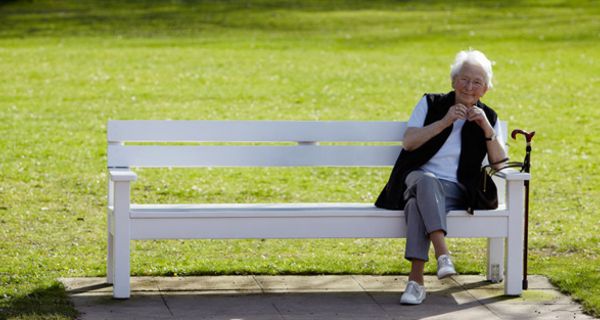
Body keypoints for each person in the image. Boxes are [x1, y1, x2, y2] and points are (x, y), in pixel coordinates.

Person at [374, 49, 508, 305]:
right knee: (426, 181)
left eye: (477, 82)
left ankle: (416, 283)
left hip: (456, 190)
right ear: (453, 81)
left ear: (485, 89)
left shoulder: (489, 117)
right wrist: (444, 122)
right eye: (464, 79)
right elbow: (409, 142)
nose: (469, 87)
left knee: (416, 205)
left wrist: (487, 130)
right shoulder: (431, 103)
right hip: (414, 179)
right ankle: (443, 253)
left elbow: (500, 165)